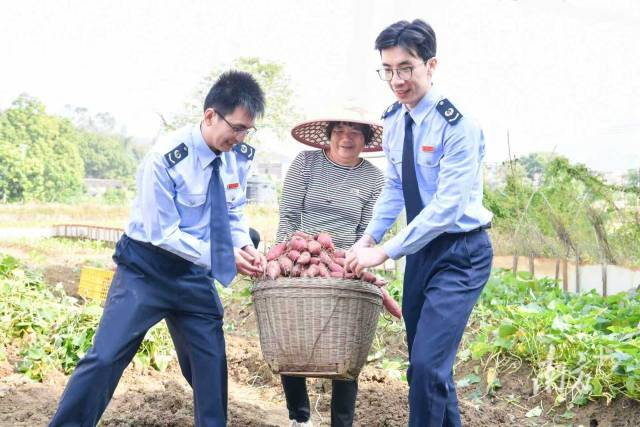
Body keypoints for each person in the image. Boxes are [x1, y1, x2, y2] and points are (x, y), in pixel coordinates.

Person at [49, 70, 267, 427]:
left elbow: (233, 209)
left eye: (248, 130)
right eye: (237, 128)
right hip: (146, 270)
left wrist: (242, 242)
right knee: (105, 358)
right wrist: (223, 257)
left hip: (194, 273)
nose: (241, 137)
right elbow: (163, 234)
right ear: (210, 116)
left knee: (210, 365)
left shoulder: (237, 156)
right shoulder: (165, 159)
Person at [345, 19, 494, 427]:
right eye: (388, 70)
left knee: (427, 367)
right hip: (421, 254)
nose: (397, 80)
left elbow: (446, 208)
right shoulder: (394, 121)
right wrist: (368, 238)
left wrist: (385, 251)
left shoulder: (458, 126)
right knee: (427, 368)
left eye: (406, 68)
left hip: (461, 253)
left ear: (431, 65)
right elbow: (394, 187)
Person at [275, 113, 385, 427]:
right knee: (292, 337)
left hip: (345, 264)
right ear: (329, 134)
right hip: (301, 257)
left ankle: (342, 422)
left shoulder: (374, 179)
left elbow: (368, 231)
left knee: (346, 343)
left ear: (366, 140)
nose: (346, 138)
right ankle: (299, 417)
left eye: (355, 132)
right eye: (339, 130)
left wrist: (350, 261)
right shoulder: (306, 163)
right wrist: (286, 260)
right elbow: (289, 215)